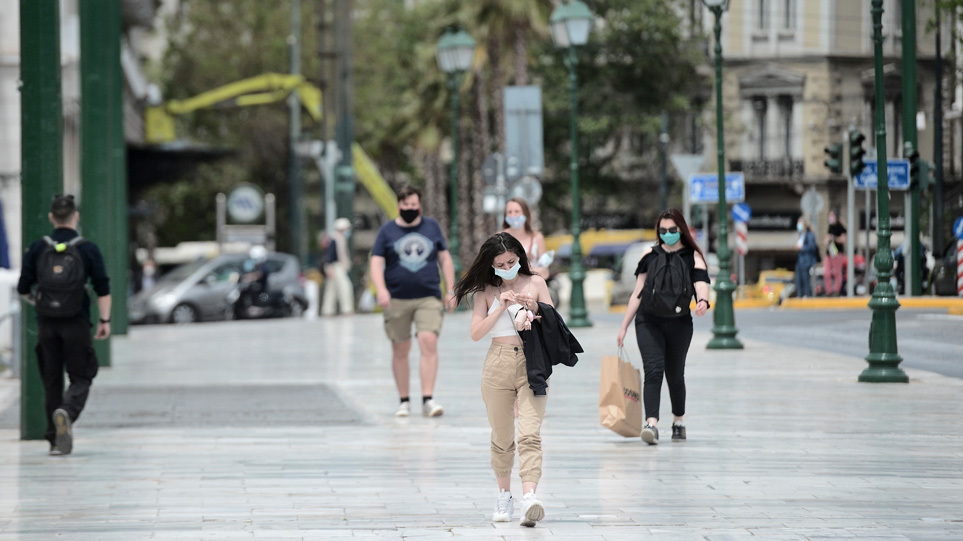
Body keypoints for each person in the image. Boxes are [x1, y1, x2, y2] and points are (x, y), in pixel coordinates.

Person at [453, 232, 555, 527]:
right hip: (497, 364)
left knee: (529, 434)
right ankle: (504, 495)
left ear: (520, 257)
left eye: (512, 261)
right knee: (501, 437)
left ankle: (529, 497)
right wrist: (499, 305)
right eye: (501, 263)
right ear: (492, 265)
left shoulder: (536, 283)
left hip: (532, 362)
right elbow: (475, 333)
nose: (508, 267)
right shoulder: (485, 291)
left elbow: (554, 322)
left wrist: (534, 309)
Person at [17, 194, 111, 456]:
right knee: (81, 376)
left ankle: (55, 441)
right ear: (75, 216)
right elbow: (102, 287)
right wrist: (105, 320)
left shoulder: (38, 248)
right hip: (77, 323)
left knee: (52, 381)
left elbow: (23, 288)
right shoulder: (87, 248)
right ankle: (67, 412)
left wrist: (42, 304)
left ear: (51, 217)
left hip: (47, 325)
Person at [615, 209, 710, 445]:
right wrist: (624, 326)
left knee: (675, 374)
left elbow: (701, 283)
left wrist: (703, 302)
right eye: (663, 230)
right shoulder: (649, 255)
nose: (667, 234)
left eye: (672, 230)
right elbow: (638, 292)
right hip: (649, 320)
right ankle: (652, 424)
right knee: (654, 370)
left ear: (681, 230)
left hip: (679, 323)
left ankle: (678, 421)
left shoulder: (693, 256)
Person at [370, 185, 456, 418]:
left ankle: (428, 398)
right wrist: (381, 289)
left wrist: (451, 289)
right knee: (400, 347)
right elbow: (376, 261)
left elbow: (444, 258)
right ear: (399, 206)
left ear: (420, 205)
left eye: (414, 204)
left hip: (428, 295)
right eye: (406, 205)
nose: (410, 208)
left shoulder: (431, 227)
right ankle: (404, 400)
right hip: (397, 297)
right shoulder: (387, 231)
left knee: (428, 340)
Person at [502, 198, 550, 279]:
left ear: (525, 213)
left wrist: (524, 271)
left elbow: (545, 272)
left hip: (532, 287)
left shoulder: (537, 237)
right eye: (509, 212)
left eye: (517, 211)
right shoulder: (500, 237)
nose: (513, 215)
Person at [322, 217, 355, 316]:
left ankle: (328, 310)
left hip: (337, 267)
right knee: (345, 287)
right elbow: (330, 256)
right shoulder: (335, 239)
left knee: (332, 289)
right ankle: (346, 309)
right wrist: (330, 268)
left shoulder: (340, 239)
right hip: (335, 267)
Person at [823, 210, 847, 296]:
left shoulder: (841, 227)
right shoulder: (830, 227)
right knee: (826, 273)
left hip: (837, 253)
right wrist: (826, 241)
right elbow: (826, 239)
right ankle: (829, 291)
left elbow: (843, 240)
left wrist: (833, 238)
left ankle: (836, 291)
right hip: (829, 252)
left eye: (832, 215)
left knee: (837, 273)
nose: (830, 217)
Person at [794, 217, 819, 298]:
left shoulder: (810, 235)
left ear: (805, 225)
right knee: (798, 280)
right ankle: (799, 295)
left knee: (806, 280)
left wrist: (802, 248)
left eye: (800, 223)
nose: (799, 225)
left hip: (806, 261)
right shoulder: (800, 235)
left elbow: (812, 247)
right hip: (800, 261)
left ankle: (807, 295)